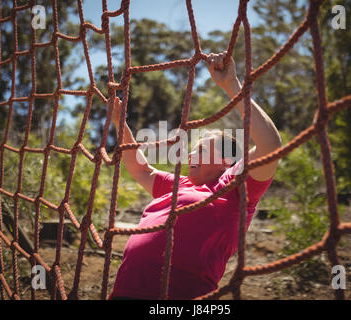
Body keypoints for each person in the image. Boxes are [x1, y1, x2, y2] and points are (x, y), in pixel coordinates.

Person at [107, 52, 282, 300]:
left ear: (227, 161)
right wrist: (119, 122)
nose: (189, 155)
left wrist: (231, 85)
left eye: (199, 149)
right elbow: (140, 169)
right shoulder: (180, 185)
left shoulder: (233, 189)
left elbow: (270, 146)